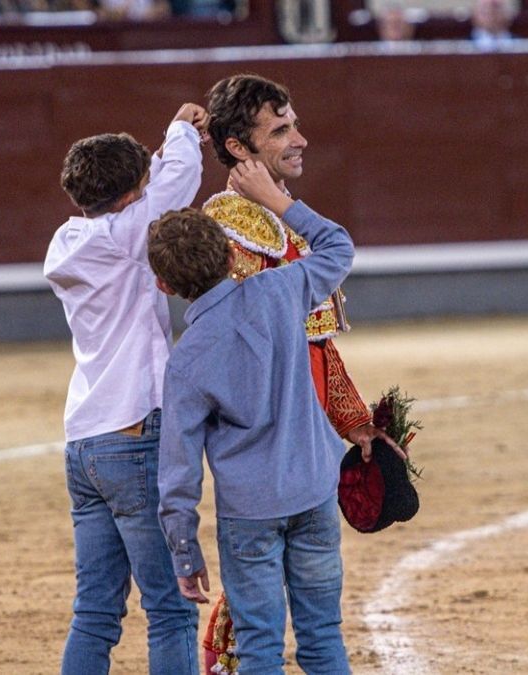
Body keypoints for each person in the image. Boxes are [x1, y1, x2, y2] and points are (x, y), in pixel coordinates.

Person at [198, 71, 402, 673]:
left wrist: (354, 423)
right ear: (240, 149)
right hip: (272, 460)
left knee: (293, 636)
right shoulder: (232, 228)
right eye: (280, 129)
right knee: (302, 638)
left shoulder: (280, 226)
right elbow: (252, 359)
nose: (300, 139)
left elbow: (317, 349)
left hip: (282, 468)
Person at [149, 160, 356, 674]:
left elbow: (178, 471)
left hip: (250, 514)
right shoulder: (281, 291)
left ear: (164, 286)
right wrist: (282, 204)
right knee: (323, 638)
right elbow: (338, 248)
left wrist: (183, 553)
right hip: (312, 490)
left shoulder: (187, 359)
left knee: (260, 646)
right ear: (229, 254)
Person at [42, 102, 209, 675]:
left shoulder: (68, 239)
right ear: (128, 198)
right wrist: (183, 130)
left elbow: (149, 191)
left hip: (83, 442)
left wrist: (151, 163)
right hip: (135, 431)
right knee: (170, 610)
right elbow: (179, 181)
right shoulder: (130, 233)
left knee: (94, 611)